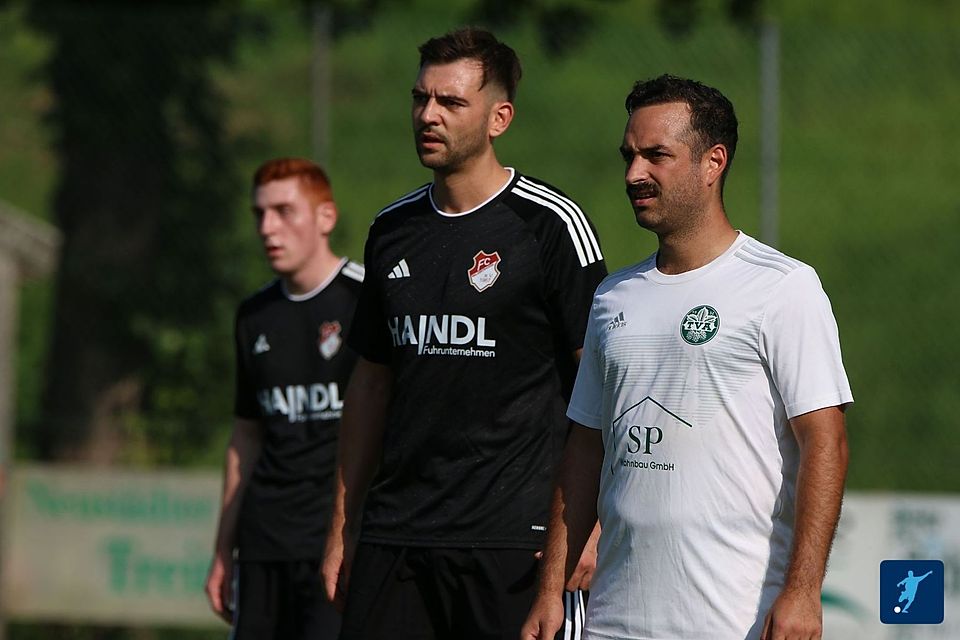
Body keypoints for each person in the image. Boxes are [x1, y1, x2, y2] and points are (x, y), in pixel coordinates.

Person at [522, 75, 853, 640]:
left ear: (712, 162)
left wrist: (802, 592)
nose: (633, 174)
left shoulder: (783, 286)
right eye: (629, 155)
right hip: (612, 621)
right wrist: (550, 591)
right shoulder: (613, 297)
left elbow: (825, 440)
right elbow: (584, 446)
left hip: (734, 620)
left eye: (656, 155)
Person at [321, 27, 607, 640]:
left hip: (513, 541)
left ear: (498, 117)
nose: (428, 115)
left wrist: (592, 521)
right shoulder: (391, 230)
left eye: (451, 103)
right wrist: (344, 526)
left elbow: (602, 383)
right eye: (421, 98)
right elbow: (370, 385)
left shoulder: (551, 226)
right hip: (397, 534)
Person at [205, 157, 364, 639]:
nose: (268, 228)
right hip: (264, 543)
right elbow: (246, 437)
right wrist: (222, 551)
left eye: (283, 211)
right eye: (259, 215)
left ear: (325, 218)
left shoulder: (366, 301)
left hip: (336, 546)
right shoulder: (255, 315)